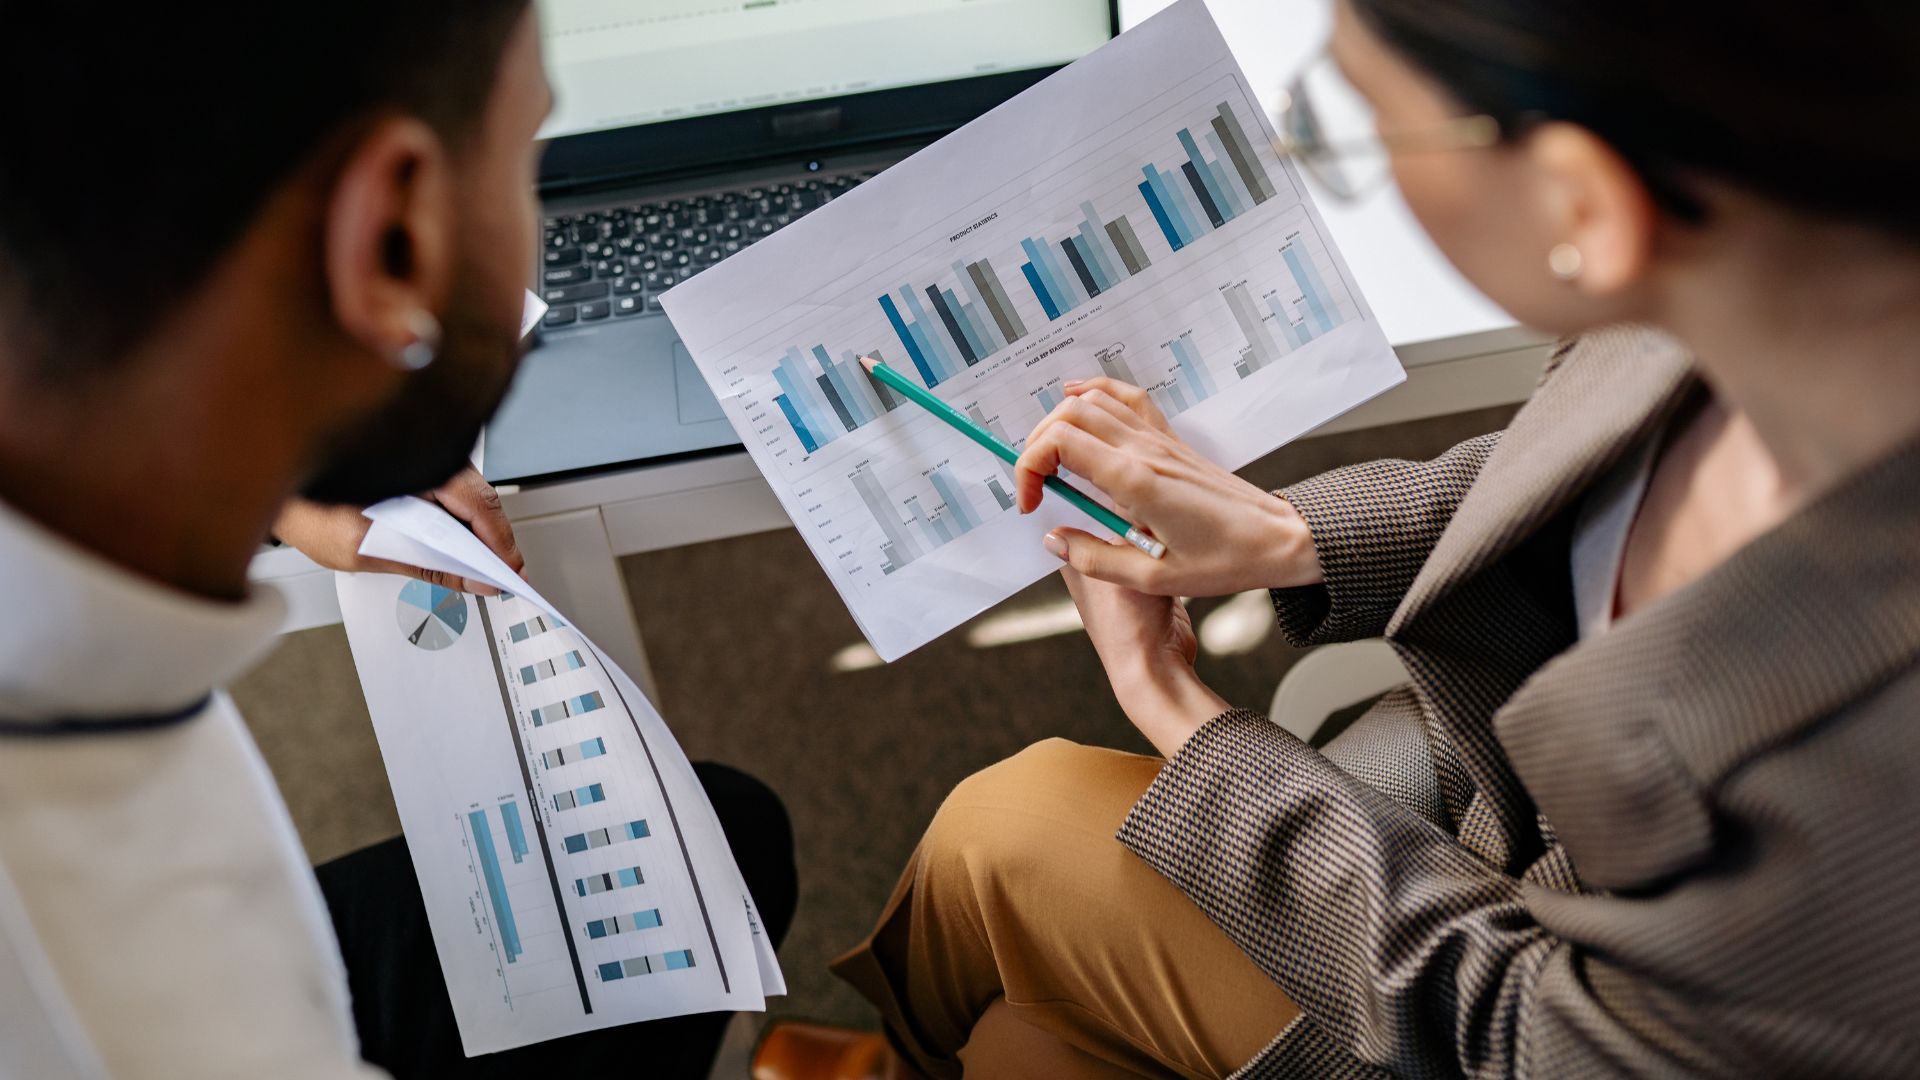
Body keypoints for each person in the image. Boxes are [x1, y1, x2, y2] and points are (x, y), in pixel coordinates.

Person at [821, 0, 1920, 1075]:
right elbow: (1591, 470)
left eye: (1362, 124)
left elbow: (1516, 1036)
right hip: (1506, 771)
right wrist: (1289, 534)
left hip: (1525, 994)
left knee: (998, 840)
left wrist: (1176, 708)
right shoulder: (1766, 244)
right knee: (1026, 1029)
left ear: (1584, 203)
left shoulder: (1859, 782)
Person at [0, 4, 794, 1078]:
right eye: (524, 157)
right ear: (391, 233)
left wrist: (295, 452)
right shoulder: (135, 1003)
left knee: (720, 836)